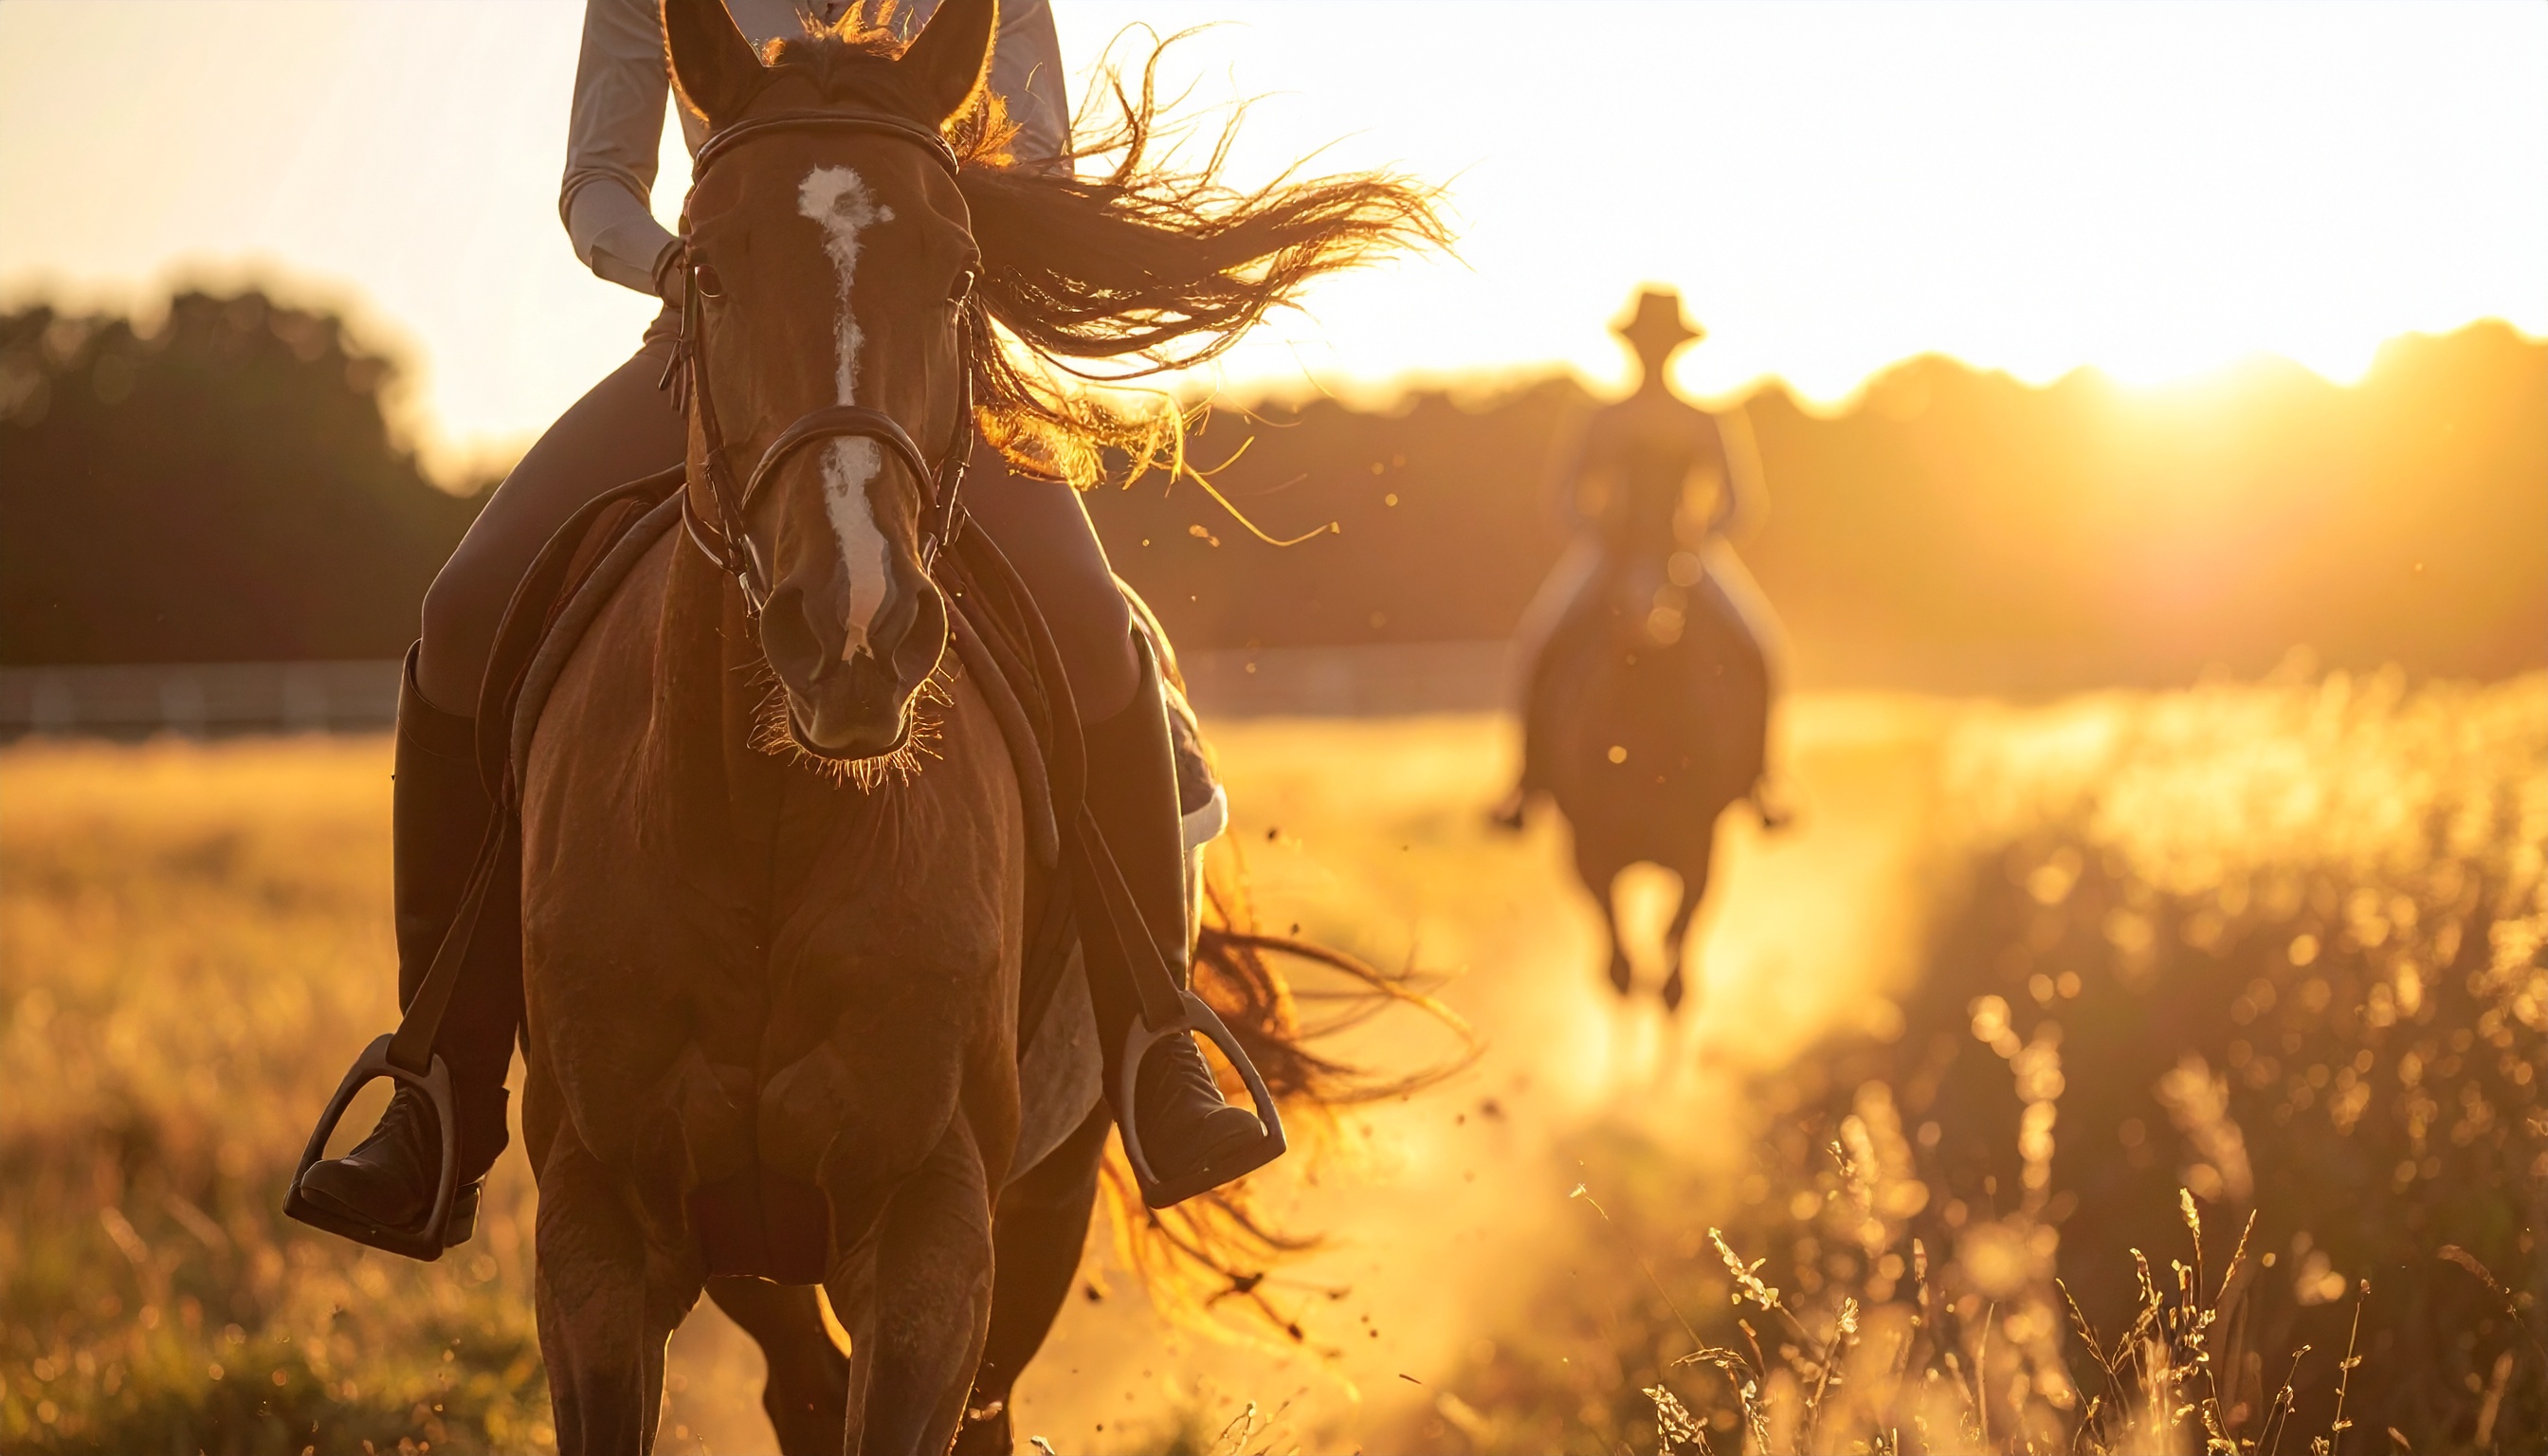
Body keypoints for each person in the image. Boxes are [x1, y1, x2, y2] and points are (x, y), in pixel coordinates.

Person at [297, 0, 1267, 1245]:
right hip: (721, 347)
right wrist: (705, 273)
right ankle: (440, 1087)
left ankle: (1158, 1053)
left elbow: (1039, 169)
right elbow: (599, 186)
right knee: (464, 612)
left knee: (1095, 637)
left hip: (920, 356)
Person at [1492, 285, 1787, 831]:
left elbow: (1743, 505)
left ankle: (1763, 779)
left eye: (1662, 343)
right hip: (1609, 557)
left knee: (1759, 647)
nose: (1654, 353)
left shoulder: (1707, 419)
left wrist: (1694, 543)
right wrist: (1605, 537)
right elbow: (1562, 499)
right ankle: (1526, 781)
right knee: (1540, 643)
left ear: (1676, 348)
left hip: (1693, 559)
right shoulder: (1601, 418)